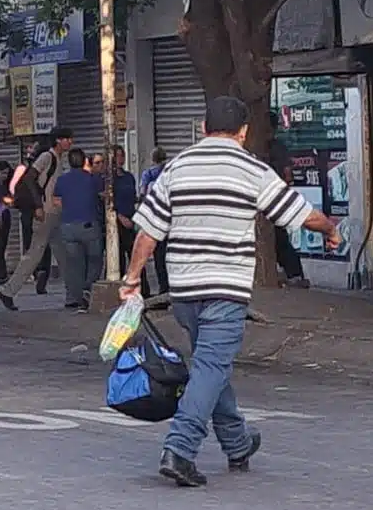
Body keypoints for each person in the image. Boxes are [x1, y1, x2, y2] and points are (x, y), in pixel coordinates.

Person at [121, 96, 341, 487]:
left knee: (210, 365)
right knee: (210, 367)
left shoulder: (176, 168)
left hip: (185, 292)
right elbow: (300, 213)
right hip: (225, 290)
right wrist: (330, 230)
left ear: (204, 128)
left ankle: (237, 442)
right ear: (243, 132)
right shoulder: (251, 169)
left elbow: (148, 232)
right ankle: (179, 448)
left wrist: (132, 278)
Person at [0, 127, 74, 310]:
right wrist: (38, 206)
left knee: (64, 256)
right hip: (45, 213)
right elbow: (30, 178)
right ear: (58, 140)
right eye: (67, 139)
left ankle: (74, 294)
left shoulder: (59, 159)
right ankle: (8, 291)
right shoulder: (47, 157)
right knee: (35, 253)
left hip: (54, 214)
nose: (70, 142)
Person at [53, 148, 104, 311]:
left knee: (74, 264)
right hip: (89, 225)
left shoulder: (61, 180)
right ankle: (87, 289)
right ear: (85, 162)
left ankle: (73, 298)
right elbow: (105, 196)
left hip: (68, 226)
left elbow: (57, 202)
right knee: (95, 260)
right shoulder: (93, 179)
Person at [267, 112, 306, 287]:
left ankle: (295, 274)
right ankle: (294, 274)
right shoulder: (275, 147)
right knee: (279, 238)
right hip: (273, 200)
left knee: (279, 238)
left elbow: (287, 175)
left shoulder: (274, 148)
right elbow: (288, 175)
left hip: (272, 200)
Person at [100, 145, 138, 278]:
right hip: (116, 222)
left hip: (130, 219)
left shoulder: (128, 177)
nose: (121, 159)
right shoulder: (108, 179)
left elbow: (133, 197)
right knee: (118, 257)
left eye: (122, 155)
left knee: (135, 256)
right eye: (118, 156)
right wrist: (120, 216)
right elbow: (107, 201)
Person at [140, 148, 171, 295]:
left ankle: (163, 286)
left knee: (159, 255)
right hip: (172, 219)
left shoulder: (148, 174)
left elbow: (142, 193)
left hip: (156, 219)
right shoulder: (170, 171)